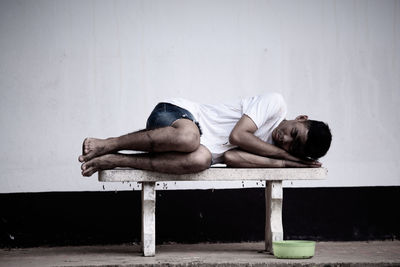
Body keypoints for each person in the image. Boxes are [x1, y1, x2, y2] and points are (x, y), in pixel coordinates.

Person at [79, 93, 332, 176]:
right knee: (189, 139)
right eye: (294, 134)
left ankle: (117, 160)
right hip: (178, 116)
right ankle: (109, 143)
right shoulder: (275, 104)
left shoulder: (279, 152)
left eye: (292, 147)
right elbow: (239, 137)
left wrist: (288, 163)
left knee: (201, 160)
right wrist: (284, 155)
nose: (285, 140)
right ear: (301, 118)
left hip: (193, 150)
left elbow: (232, 159)